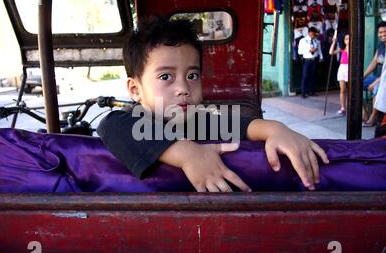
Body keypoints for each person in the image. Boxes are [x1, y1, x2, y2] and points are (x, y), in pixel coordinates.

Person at [97, 16, 329, 193]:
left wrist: (277, 129)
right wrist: (188, 154)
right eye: (166, 77)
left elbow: (245, 126)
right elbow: (110, 126)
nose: (183, 88)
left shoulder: (201, 122)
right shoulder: (129, 122)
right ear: (135, 89)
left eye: (192, 75)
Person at [362, 21, 386, 127]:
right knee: (355, 86)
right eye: (380, 32)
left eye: (385, 32)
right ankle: (364, 115)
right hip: (376, 76)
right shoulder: (381, 45)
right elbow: (374, 61)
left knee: (377, 88)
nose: (383, 34)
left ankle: (373, 118)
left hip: (383, 79)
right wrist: (363, 76)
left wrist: (376, 82)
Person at [298, 27, 323, 98]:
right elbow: (299, 51)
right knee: (305, 76)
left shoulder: (316, 41)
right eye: (311, 34)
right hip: (307, 60)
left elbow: (319, 49)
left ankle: (311, 91)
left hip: (314, 60)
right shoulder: (303, 40)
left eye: (314, 34)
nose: (313, 36)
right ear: (309, 33)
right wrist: (309, 51)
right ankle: (303, 92)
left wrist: (321, 57)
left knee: (313, 76)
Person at [329, 31, 349, 115]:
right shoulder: (342, 49)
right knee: (342, 89)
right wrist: (334, 41)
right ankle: (343, 107)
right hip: (342, 68)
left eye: (349, 39)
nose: (348, 40)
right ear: (344, 40)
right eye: (346, 39)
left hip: (349, 68)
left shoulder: (353, 49)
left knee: (351, 89)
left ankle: (350, 106)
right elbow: (331, 52)